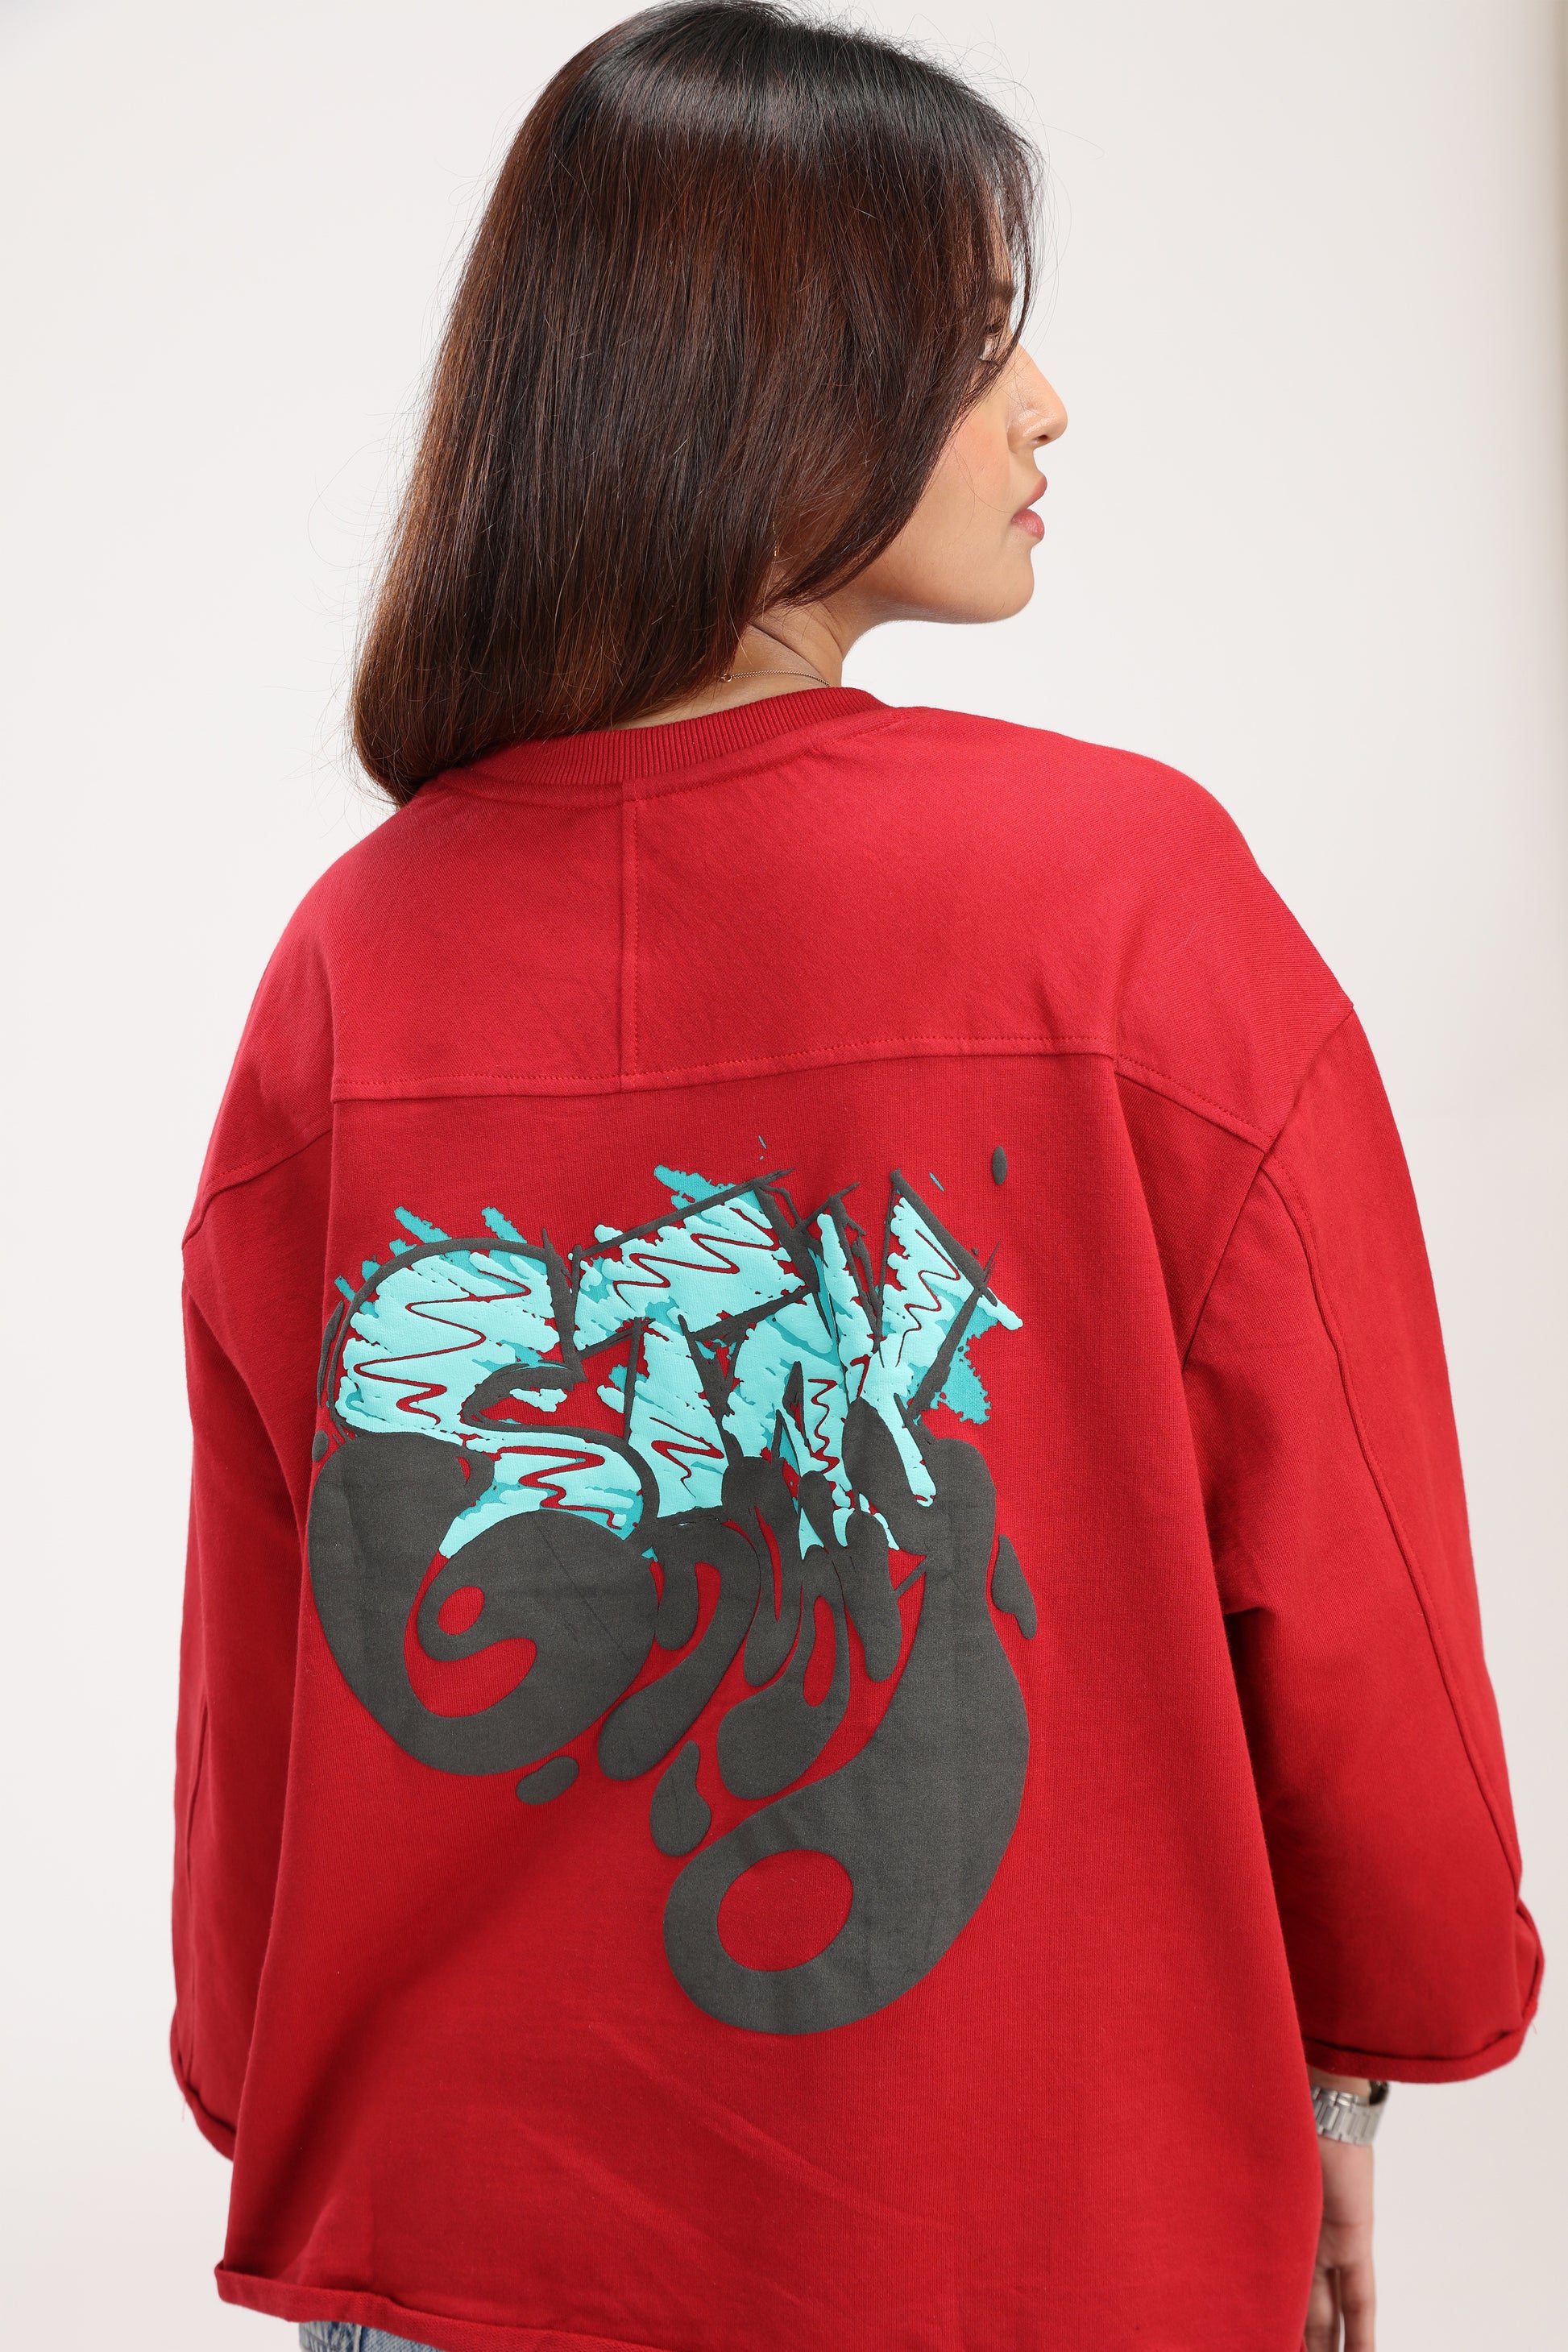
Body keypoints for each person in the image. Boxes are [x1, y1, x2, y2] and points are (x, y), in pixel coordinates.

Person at [171, 7, 1540, 2351]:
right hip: (1040, 2232)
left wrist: (253, 2063)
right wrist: (1360, 2053)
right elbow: (1355, 1567)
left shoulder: (354, 964)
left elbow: (270, 1673)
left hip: (460, 2248)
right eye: (980, 337)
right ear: (774, 378)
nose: (1046, 406)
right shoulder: (1119, 899)